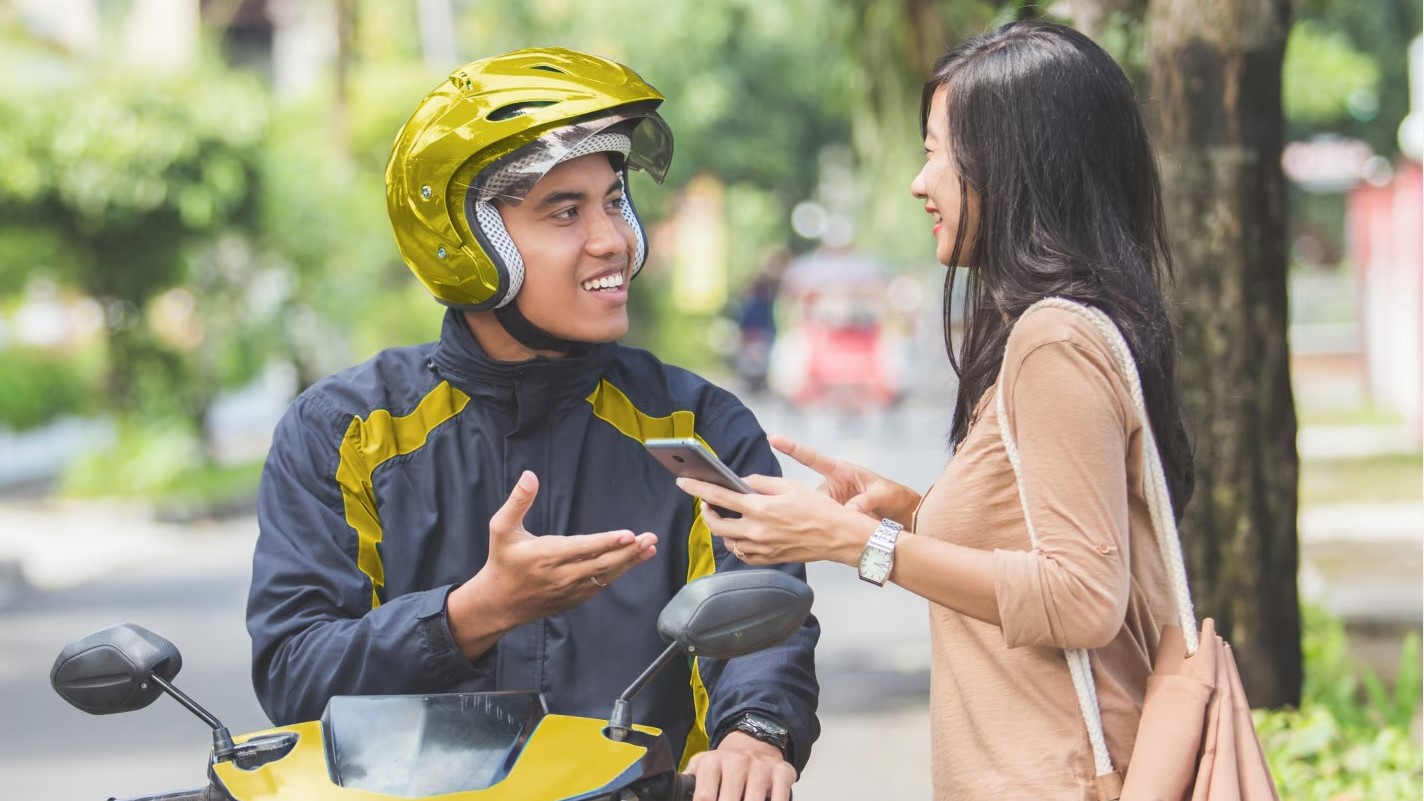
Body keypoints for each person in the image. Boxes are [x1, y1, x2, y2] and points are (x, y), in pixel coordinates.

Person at [246, 47, 818, 801]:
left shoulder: (697, 423)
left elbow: (761, 613)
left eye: (614, 200)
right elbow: (294, 670)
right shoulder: (349, 431)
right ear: (467, 242)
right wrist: (471, 613)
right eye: (564, 210)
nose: (612, 239)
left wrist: (755, 733)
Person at [676, 21, 1195, 801]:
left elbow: (1084, 596)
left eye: (937, 151)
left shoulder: (1054, 338)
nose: (922, 182)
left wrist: (860, 542)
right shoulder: (1060, 326)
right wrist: (915, 514)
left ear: (1014, 164)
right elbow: (1044, 539)